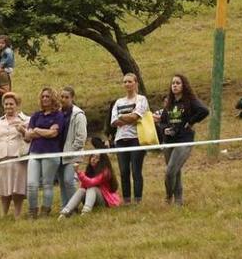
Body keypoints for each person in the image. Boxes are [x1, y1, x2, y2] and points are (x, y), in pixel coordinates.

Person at [155, 74, 209, 206]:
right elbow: (161, 122)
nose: (175, 85)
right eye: (173, 83)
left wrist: (190, 122)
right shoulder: (169, 103)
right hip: (168, 141)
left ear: (184, 85)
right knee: (175, 171)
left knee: (170, 171)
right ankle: (178, 199)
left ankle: (168, 196)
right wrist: (164, 129)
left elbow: (204, 111)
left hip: (184, 140)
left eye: (178, 83)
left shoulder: (190, 101)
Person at [18, 88, 65, 218]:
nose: (45, 99)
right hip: (34, 152)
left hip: (50, 153)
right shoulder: (36, 115)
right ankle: (32, 211)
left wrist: (37, 131)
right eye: (43, 96)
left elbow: (53, 133)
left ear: (53, 99)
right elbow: (28, 136)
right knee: (32, 184)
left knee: (47, 184)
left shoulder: (58, 115)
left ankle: (45, 211)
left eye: (48, 96)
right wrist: (41, 132)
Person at [0, 92, 30, 219]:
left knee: (17, 189)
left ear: (17, 105)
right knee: (4, 189)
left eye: (11, 104)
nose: (8, 106)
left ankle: (17, 215)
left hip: (18, 159)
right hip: (2, 160)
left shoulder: (26, 120)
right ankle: (3, 215)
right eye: (6, 104)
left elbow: (30, 138)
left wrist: (22, 130)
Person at [110, 73, 149, 204]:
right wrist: (127, 117)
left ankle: (138, 200)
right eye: (125, 82)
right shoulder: (118, 102)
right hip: (120, 140)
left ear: (136, 83)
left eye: (130, 81)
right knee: (124, 170)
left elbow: (136, 116)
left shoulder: (141, 99)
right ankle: (127, 200)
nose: (127, 84)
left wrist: (122, 117)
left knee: (136, 170)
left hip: (136, 138)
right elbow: (114, 121)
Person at [58, 152, 121, 218]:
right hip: (91, 198)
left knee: (92, 188)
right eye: (92, 156)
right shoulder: (90, 169)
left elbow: (91, 182)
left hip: (105, 202)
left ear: (102, 161)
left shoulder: (106, 172)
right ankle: (66, 211)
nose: (93, 159)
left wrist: (79, 173)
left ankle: (86, 212)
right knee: (81, 190)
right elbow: (84, 186)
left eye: (97, 158)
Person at [56, 86, 87, 209]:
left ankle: (74, 206)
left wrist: (70, 151)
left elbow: (81, 138)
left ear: (72, 98)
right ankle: (65, 206)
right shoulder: (57, 113)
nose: (63, 99)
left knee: (69, 181)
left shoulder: (78, 115)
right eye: (62, 97)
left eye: (66, 97)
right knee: (62, 183)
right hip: (58, 154)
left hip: (72, 155)